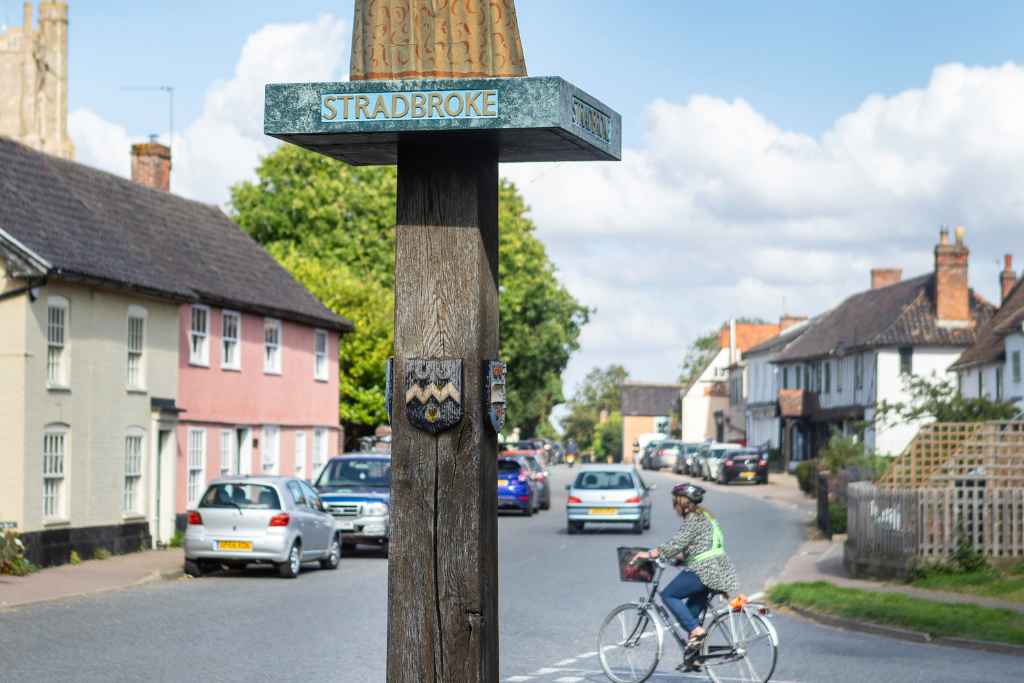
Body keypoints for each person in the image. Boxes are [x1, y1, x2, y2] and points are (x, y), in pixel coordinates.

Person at [631, 483, 738, 671]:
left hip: (704, 569)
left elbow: (675, 544)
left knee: (668, 595)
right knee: (690, 612)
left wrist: (648, 554)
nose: (673, 507)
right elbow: (702, 546)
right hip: (717, 569)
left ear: (683, 502)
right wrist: (681, 559)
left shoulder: (693, 519)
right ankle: (694, 657)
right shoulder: (706, 517)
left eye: (674, 503)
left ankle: (697, 632)